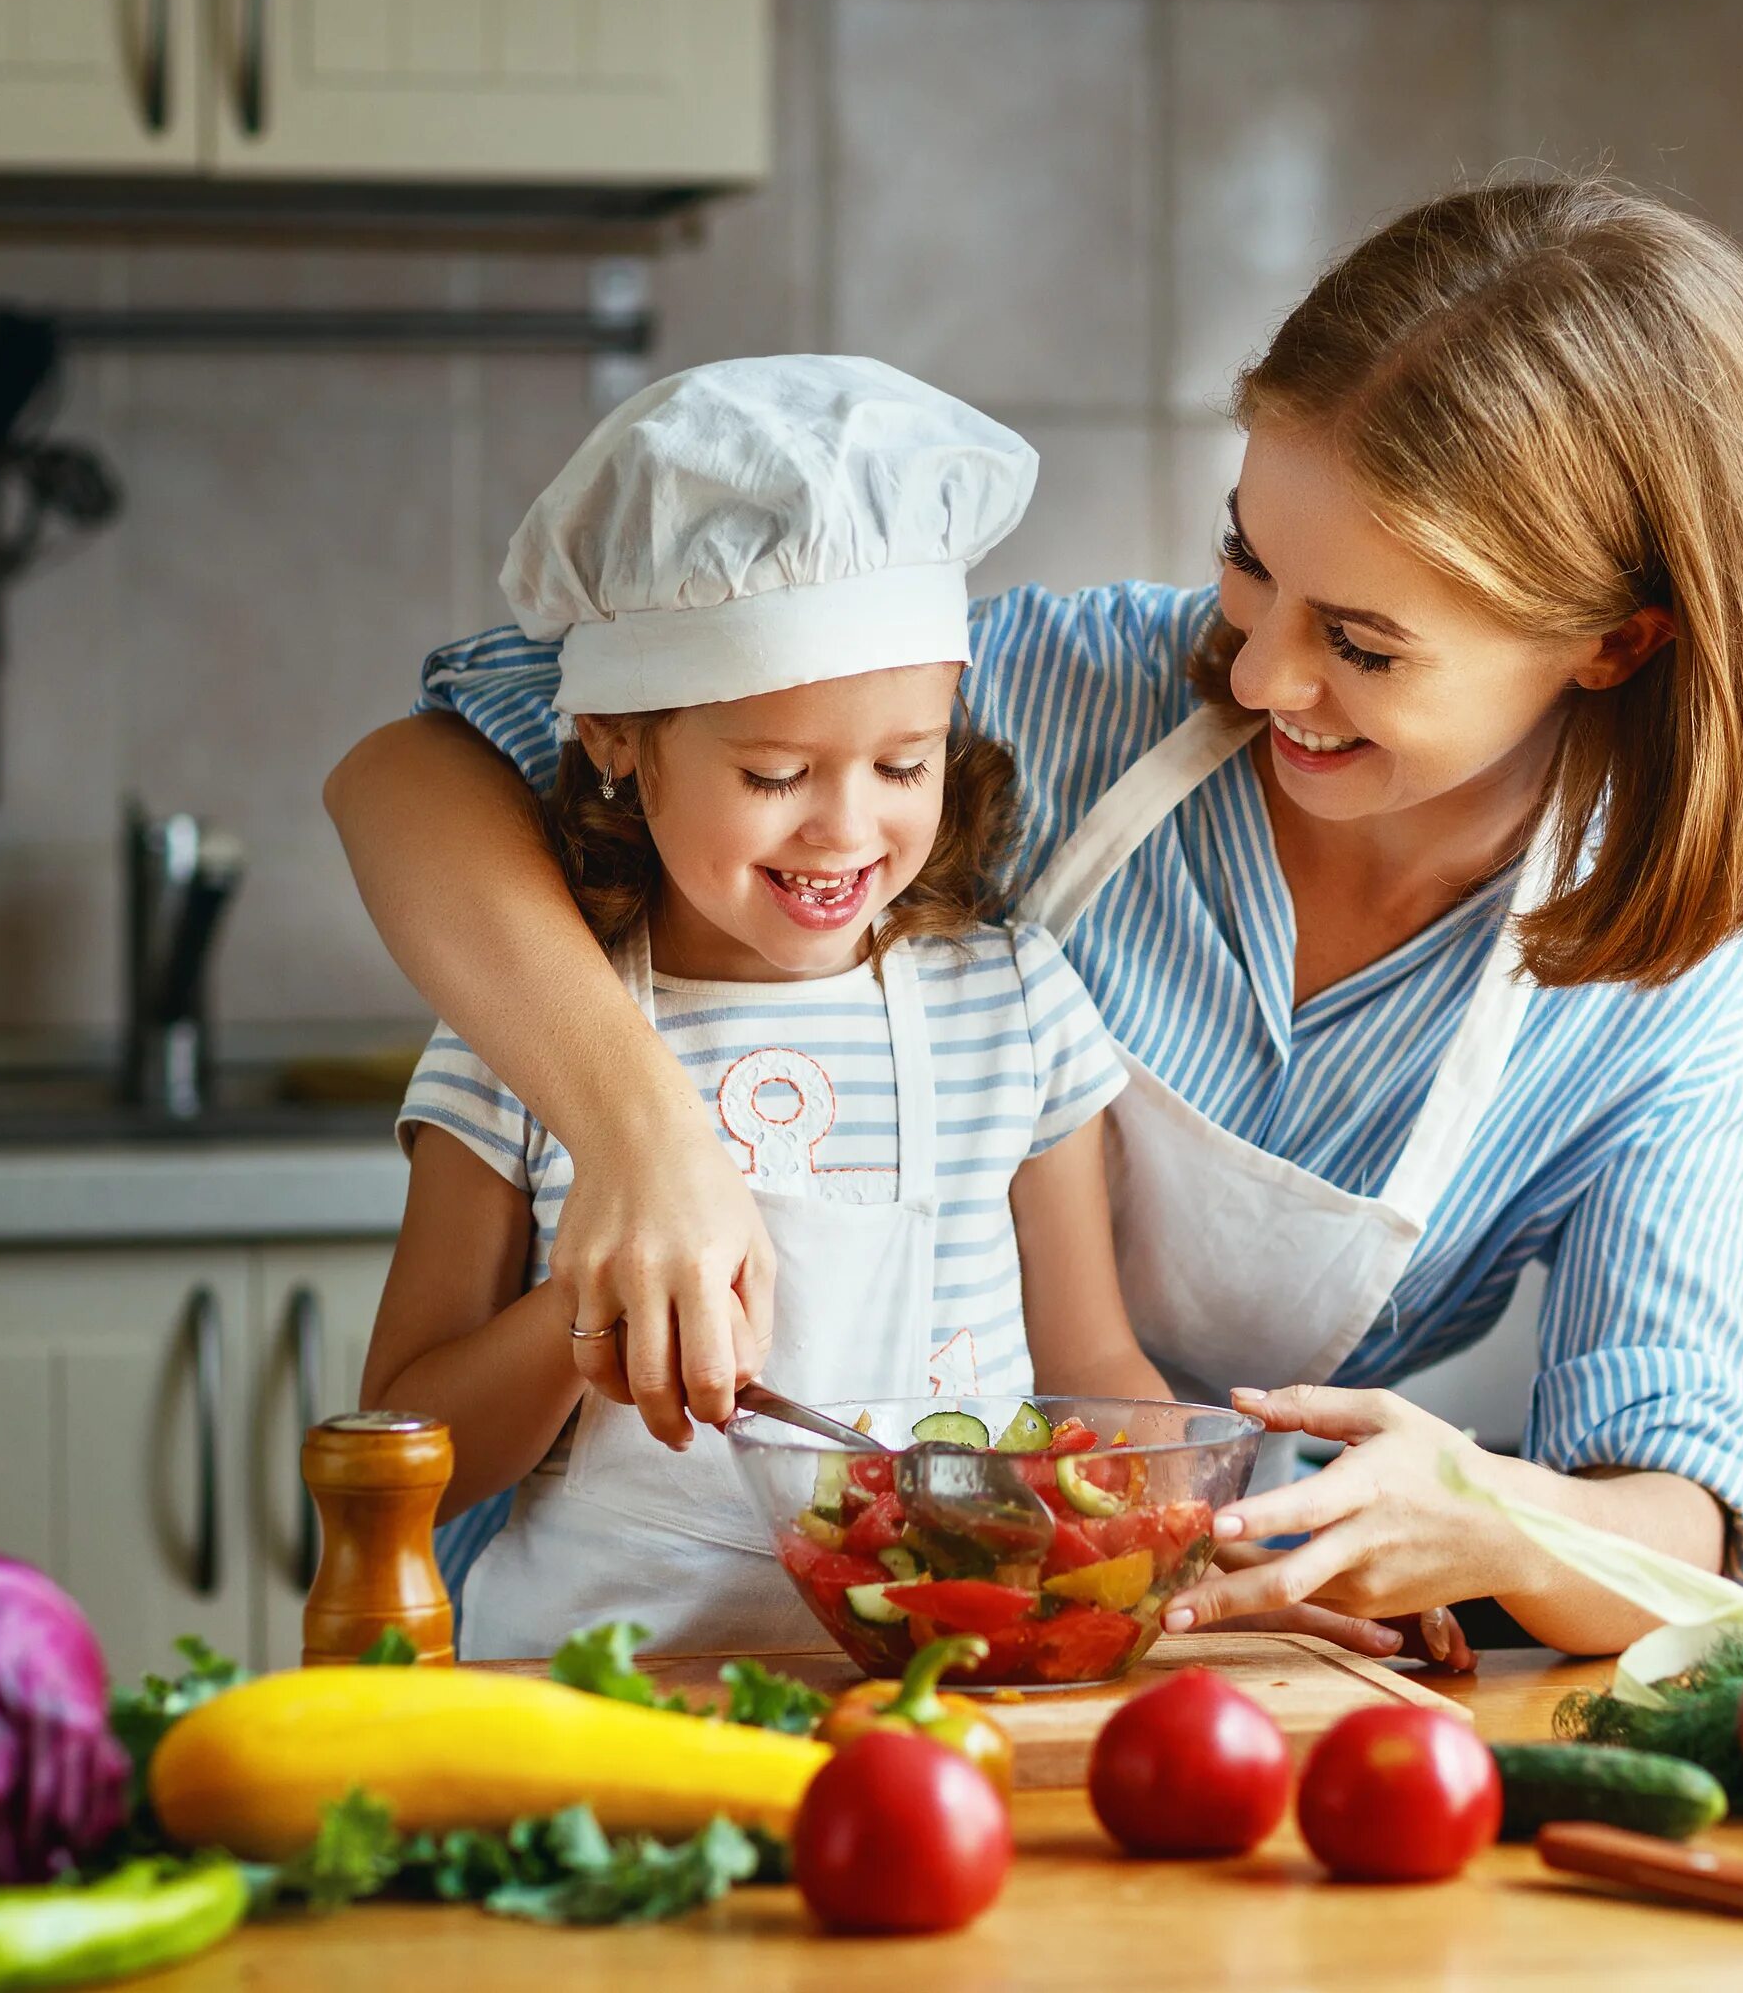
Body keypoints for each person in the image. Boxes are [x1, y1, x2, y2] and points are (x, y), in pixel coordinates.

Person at [329, 180, 1743, 1659]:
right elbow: (417, 771)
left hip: (1115, 1626)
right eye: (1249, 564)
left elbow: (1680, 1503)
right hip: (580, 1628)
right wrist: (644, 1137)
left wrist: (1499, 1521)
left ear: (1610, 644)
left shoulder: (1669, 975)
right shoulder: (1068, 695)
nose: (1260, 675)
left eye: (1363, 644)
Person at [359, 356, 1166, 1658]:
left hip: (923, 1711)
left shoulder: (1009, 1011)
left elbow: (1098, 1379)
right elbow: (414, 1454)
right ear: (622, 737)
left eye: (905, 763)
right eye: (777, 772)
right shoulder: (527, 1036)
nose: (848, 829)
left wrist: (1193, 1542)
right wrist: (588, 1323)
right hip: (587, 1704)